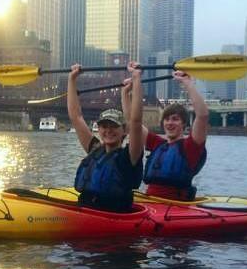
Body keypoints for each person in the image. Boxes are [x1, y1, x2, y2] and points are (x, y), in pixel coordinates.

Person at [67, 61, 145, 213]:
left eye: (114, 126)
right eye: (104, 126)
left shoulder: (129, 157)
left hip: (114, 217)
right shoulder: (95, 149)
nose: (108, 130)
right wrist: (72, 79)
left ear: (124, 131)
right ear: (99, 129)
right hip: (87, 210)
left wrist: (136, 79)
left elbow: (135, 121)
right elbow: (75, 117)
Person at [123, 69, 208, 200]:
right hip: (151, 202)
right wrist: (125, 93)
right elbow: (132, 122)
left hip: (175, 206)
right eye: (167, 119)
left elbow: (202, 116)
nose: (169, 123)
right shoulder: (157, 143)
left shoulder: (191, 146)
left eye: (175, 119)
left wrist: (187, 83)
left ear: (184, 124)